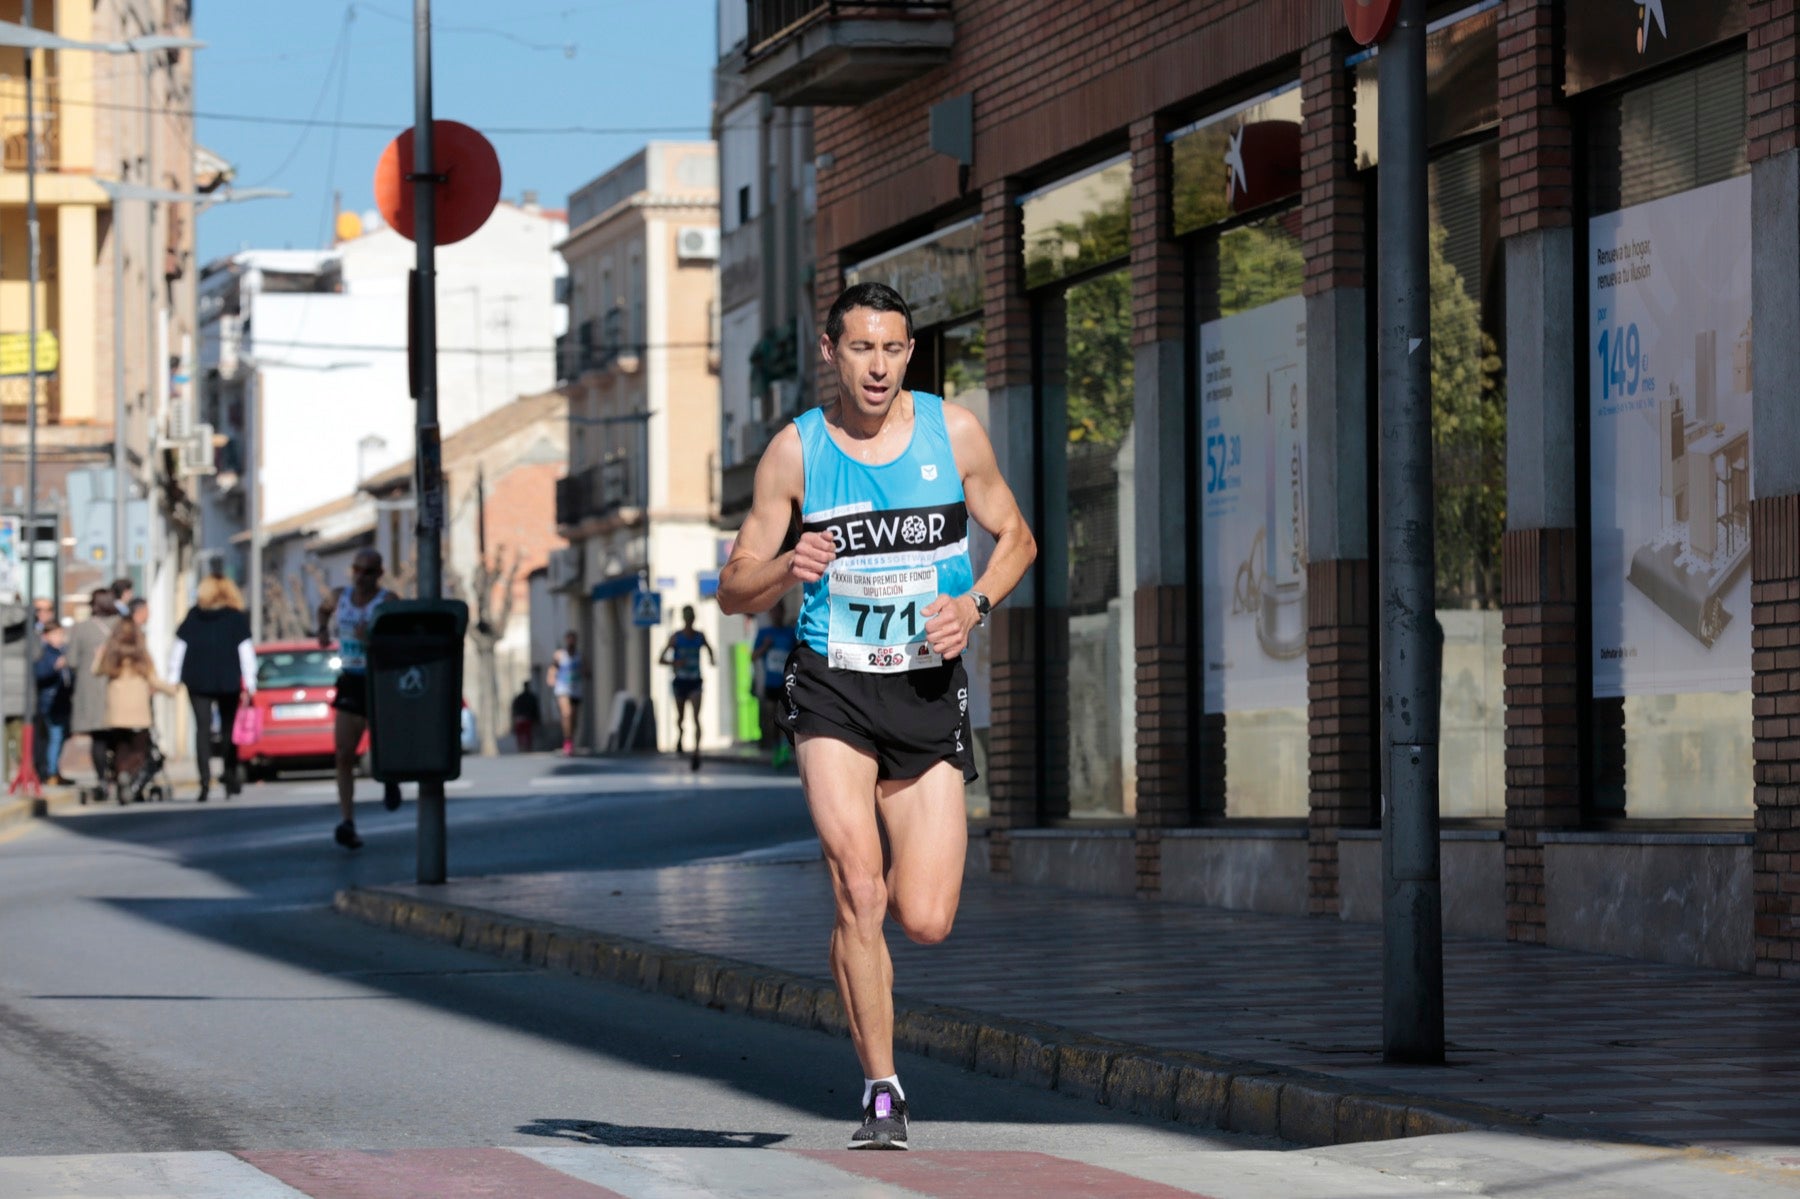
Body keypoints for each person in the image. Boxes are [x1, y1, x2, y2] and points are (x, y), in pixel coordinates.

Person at [717, 281, 1036, 1150]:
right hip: (833, 688)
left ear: (910, 352)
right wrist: (787, 564)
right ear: (831, 350)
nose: (879, 367)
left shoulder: (952, 431)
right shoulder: (797, 452)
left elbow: (1017, 538)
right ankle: (883, 1091)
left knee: (924, 916)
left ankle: (854, 946)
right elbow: (733, 588)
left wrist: (972, 605)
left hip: (926, 690)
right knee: (860, 884)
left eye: (894, 349)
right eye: (862, 348)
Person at [315, 549, 402, 849]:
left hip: (379, 679)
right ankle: (347, 821)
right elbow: (323, 609)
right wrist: (322, 630)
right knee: (343, 753)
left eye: (368, 572)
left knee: (383, 747)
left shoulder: (388, 601)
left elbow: (402, 636)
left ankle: (389, 778)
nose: (361, 577)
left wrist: (375, 639)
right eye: (357, 570)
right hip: (350, 679)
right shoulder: (340, 597)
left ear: (379, 574)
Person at [169, 574, 256, 803]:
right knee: (228, 729)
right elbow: (246, 652)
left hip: (197, 679)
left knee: (202, 729)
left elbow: (179, 648)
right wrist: (250, 682)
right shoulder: (235, 618)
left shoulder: (193, 616)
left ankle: (205, 782)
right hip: (228, 679)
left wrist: (173, 677)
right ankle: (229, 775)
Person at [92, 618, 177, 802]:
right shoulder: (142, 655)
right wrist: (172, 690)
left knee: (120, 746)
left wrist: (99, 655)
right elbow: (153, 680)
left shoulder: (111, 654)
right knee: (139, 748)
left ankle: (122, 771)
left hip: (116, 709)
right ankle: (130, 774)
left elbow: (96, 671)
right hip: (138, 710)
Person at [68, 589, 121, 797]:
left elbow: (72, 660)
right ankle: (119, 775)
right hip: (118, 685)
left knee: (98, 737)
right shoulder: (121, 626)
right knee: (119, 734)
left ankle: (102, 780)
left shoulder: (81, 628)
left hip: (90, 688)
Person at [659, 605, 714, 770]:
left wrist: (712, 659)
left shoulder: (700, 636)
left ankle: (696, 752)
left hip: (695, 681)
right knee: (680, 717)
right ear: (684, 620)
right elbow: (660, 659)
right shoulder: (676, 638)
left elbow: (710, 649)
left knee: (696, 717)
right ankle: (680, 733)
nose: (690, 622)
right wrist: (676, 662)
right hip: (680, 681)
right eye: (687, 619)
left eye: (691, 619)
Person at [751, 601, 798, 767]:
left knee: (785, 719)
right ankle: (777, 749)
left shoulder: (790, 633)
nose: (776, 615)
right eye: (774, 611)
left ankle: (784, 749)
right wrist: (765, 647)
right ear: (770, 614)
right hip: (770, 683)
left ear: (783, 612)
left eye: (779, 611)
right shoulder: (764, 633)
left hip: (786, 684)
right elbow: (753, 656)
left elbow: (797, 655)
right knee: (772, 720)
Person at [34, 623, 73, 785]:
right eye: (55, 635)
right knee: (55, 737)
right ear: (46, 636)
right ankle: (51, 772)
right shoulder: (44, 653)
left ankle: (55, 769)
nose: (59, 638)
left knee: (62, 736)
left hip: (64, 701)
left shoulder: (64, 651)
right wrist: (55, 667)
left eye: (61, 635)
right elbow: (39, 674)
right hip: (49, 702)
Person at [547, 631, 582, 756]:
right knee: (566, 714)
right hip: (562, 688)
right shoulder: (560, 655)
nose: (571, 642)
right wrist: (551, 677)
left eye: (573, 639)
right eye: (569, 639)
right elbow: (553, 668)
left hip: (576, 690)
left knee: (574, 718)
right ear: (566, 640)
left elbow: (586, 669)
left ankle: (571, 738)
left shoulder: (579, 656)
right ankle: (567, 741)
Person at [510, 679, 541, 752]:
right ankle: (527, 748)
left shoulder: (519, 697)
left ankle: (522, 747)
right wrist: (537, 719)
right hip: (527, 718)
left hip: (520, 718)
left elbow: (514, 708)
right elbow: (535, 709)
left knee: (522, 734)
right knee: (527, 734)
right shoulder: (531, 697)